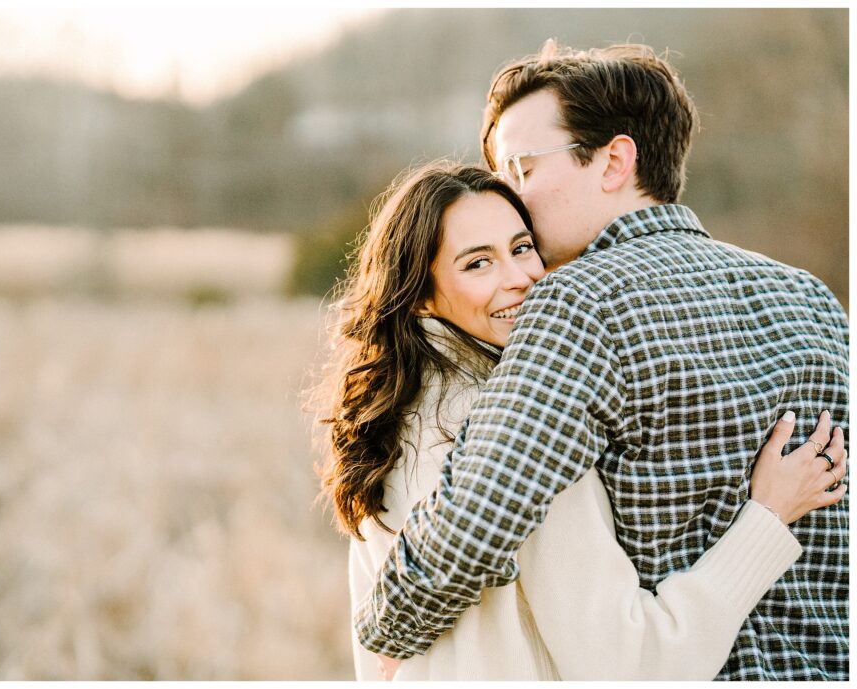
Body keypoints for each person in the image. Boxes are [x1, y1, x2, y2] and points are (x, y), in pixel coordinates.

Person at [352, 42, 849, 681]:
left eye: (522, 168)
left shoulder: (579, 303)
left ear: (614, 161)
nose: (512, 195)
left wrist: (384, 630)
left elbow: (475, 521)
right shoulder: (811, 296)